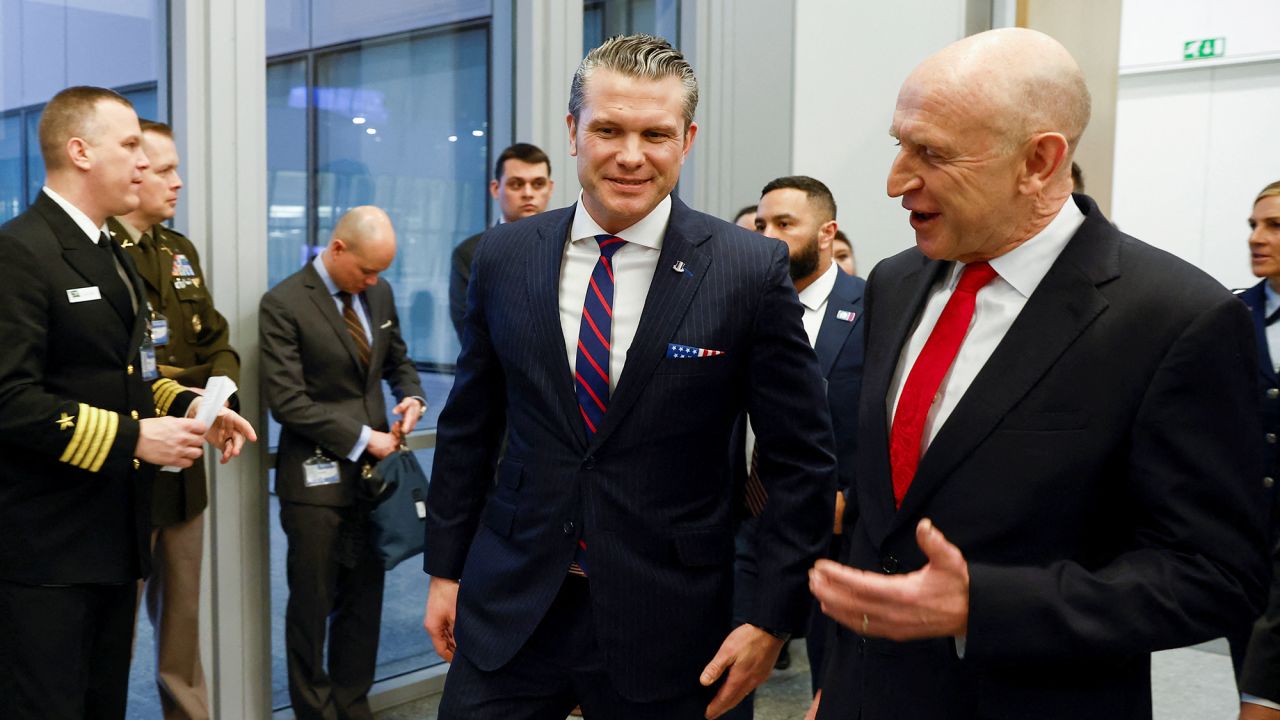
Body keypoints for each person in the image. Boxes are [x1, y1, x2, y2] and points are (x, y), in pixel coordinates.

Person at [808, 28, 1268, 720]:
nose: (896, 180)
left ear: (1040, 160)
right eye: (900, 144)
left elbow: (1214, 576)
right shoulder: (895, 283)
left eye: (931, 153)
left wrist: (984, 607)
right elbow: (887, 523)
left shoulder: (1176, 318)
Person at [423, 33, 836, 720]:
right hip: (514, 605)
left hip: (677, 622)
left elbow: (801, 461)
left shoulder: (746, 269)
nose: (631, 155)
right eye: (608, 129)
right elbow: (470, 427)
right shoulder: (502, 256)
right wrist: (445, 568)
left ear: (688, 138)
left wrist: (770, 616)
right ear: (572, 132)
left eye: (656, 133)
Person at [0, 86, 255, 720]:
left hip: (115, 537)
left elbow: (129, 372)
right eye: (132, 146)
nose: (145, 164)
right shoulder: (19, 252)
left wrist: (194, 405)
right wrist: (133, 439)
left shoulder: (113, 252)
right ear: (80, 151)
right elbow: (10, 400)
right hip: (47, 550)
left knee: (103, 704)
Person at [260, 206, 427, 720]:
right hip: (315, 483)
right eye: (366, 270)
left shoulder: (377, 293)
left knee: (364, 604)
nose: (374, 281)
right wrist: (363, 439)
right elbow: (287, 402)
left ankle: (353, 706)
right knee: (311, 608)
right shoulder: (283, 304)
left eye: (381, 272)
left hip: (374, 483)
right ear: (337, 250)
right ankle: (314, 712)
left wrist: (412, 397)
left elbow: (397, 359)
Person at [107, 119, 238, 720]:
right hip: (122, 467)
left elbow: (213, 336)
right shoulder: (98, 253)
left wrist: (218, 397)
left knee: (181, 633)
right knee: (108, 638)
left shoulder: (178, 251)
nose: (177, 182)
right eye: (163, 170)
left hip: (183, 468)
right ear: (133, 176)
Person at [729, 176, 865, 718]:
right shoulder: (737, 308)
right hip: (746, 524)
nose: (767, 237)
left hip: (836, 532)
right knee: (725, 676)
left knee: (834, 690)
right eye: (762, 225)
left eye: (785, 225)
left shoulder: (874, 308)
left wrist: (853, 501)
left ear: (826, 233)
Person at [1235, 179, 1280, 720]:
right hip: (1246, 536)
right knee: (1248, 662)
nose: (1256, 237)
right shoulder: (1227, 318)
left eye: (1273, 226)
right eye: (1253, 225)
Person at [449, 143, 555, 340]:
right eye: (516, 184)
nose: (528, 193)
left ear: (550, 189)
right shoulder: (470, 254)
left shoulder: (566, 247)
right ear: (496, 189)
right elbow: (471, 335)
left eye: (538, 184)